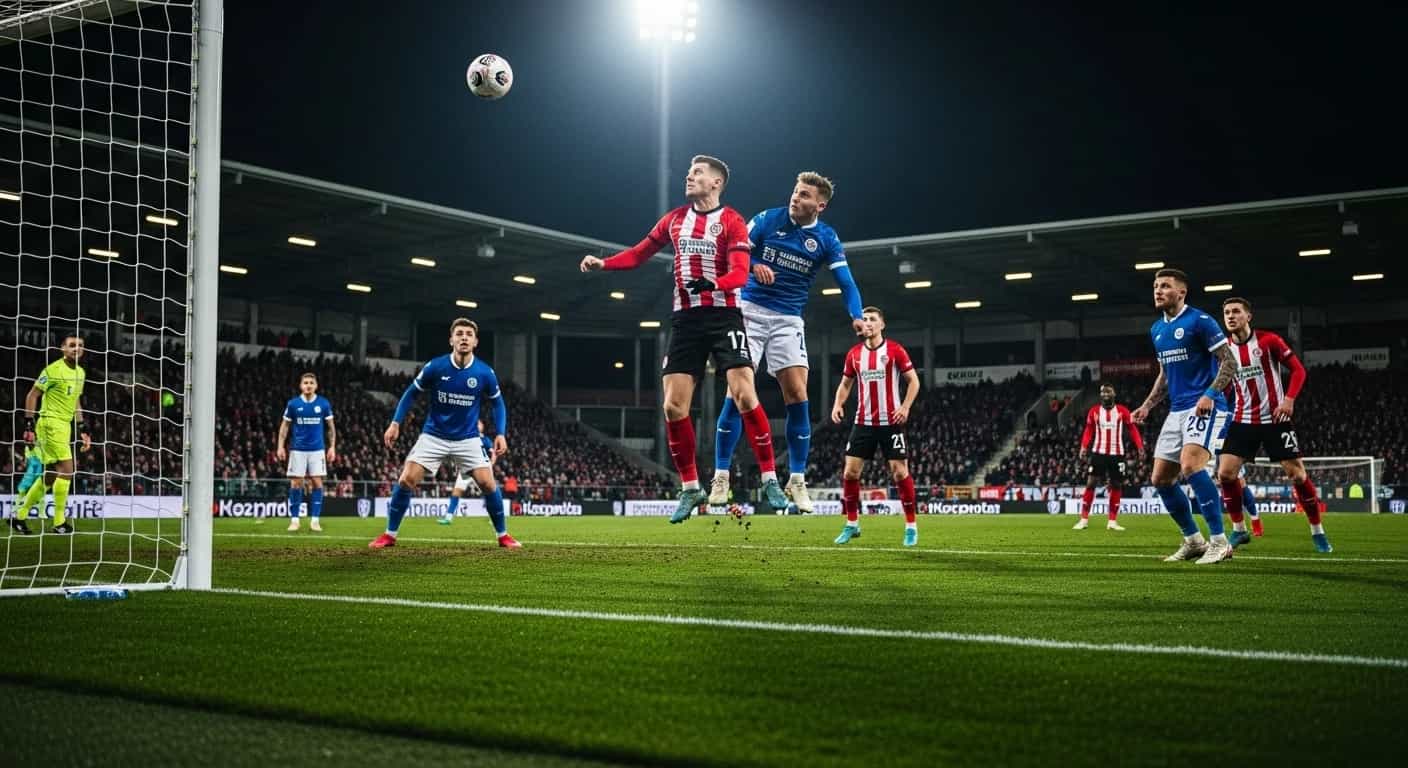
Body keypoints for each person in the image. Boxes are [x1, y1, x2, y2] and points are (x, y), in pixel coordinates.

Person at [580, 155, 789, 522]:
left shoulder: (733, 221)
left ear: (716, 183)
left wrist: (715, 283)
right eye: (690, 172)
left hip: (725, 317)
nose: (689, 177)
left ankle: (770, 478)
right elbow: (638, 254)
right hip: (686, 322)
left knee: (743, 392)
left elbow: (741, 274)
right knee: (673, 407)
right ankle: (691, 488)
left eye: (697, 173)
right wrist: (604, 263)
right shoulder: (674, 220)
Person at [710, 171, 864, 514]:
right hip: (748, 311)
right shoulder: (767, 219)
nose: (796, 198)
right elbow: (732, 256)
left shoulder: (826, 238)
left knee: (798, 395)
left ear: (819, 205)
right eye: (796, 192)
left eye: (805, 195)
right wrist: (754, 266)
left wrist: (855, 314)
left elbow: (847, 282)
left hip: (788, 319)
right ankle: (720, 476)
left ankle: (797, 479)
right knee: (737, 393)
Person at [369, 318, 518, 549]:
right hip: (434, 436)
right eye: (459, 333)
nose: (464, 337)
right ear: (451, 340)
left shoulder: (484, 372)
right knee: (406, 479)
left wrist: (501, 433)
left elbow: (498, 404)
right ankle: (389, 535)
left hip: (468, 438)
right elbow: (410, 393)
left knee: (489, 484)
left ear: (476, 341)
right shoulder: (436, 367)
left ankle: (503, 535)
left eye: (469, 334)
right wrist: (395, 423)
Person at [1131, 268, 1240, 564]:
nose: (1158, 290)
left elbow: (1229, 362)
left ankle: (1220, 542)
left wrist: (1210, 394)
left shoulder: (1200, 321)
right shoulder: (1157, 330)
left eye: (1165, 286)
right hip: (1176, 409)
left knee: (1191, 467)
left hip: (1204, 405)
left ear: (1181, 292)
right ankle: (1194, 541)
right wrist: (1147, 405)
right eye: (1155, 286)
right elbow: (1165, 375)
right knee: (1161, 479)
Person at [1215, 297, 1330, 552]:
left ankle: (1317, 531)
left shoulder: (1269, 341)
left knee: (1297, 475)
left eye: (1236, 312)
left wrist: (1288, 401)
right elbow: (1223, 385)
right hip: (1242, 420)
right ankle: (1239, 530)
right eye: (1226, 313)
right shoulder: (1223, 351)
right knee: (1225, 474)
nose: (1230, 316)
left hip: (1275, 419)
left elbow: (1299, 371)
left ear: (1248, 316)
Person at [828, 307, 921, 546]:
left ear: (882, 325)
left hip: (891, 422)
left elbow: (914, 382)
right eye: (865, 319)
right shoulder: (854, 354)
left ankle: (910, 526)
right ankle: (852, 524)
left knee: (900, 472)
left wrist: (906, 407)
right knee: (850, 472)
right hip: (863, 422)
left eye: (872, 319)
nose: (867, 323)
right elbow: (845, 384)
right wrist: (838, 404)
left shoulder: (894, 350)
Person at [12, 334, 92, 535]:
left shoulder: (80, 373)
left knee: (50, 475)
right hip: (49, 423)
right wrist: (28, 425)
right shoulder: (53, 370)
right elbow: (32, 395)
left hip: (65, 425)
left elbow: (75, 401)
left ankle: (19, 516)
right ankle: (58, 522)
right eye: (72, 345)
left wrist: (82, 428)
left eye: (80, 345)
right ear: (63, 349)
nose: (76, 348)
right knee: (67, 468)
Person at [1075, 383, 1144, 531]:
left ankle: (1112, 521)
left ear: (1114, 394)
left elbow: (1132, 429)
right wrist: (1083, 446)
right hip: (1098, 453)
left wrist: (1140, 446)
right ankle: (1084, 520)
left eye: (1108, 392)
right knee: (1090, 483)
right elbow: (1088, 430)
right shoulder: (1094, 411)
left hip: (1117, 454)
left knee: (1117, 485)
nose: (1106, 394)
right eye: (1103, 392)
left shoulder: (1123, 411)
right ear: (1101, 395)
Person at [275, 372, 336, 532]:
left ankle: (315, 520)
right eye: (305, 383)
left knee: (317, 483)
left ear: (316, 386)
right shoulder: (293, 404)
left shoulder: (323, 404)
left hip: (317, 450)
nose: (308, 385)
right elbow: (285, 426)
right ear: (301, 386)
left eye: (311, 383)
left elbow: (331, 428)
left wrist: (332, 447)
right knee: (296, 483)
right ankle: (295, 520)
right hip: (297, 450)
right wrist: (280, 446)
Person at [439, 418, 496, 525]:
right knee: (457, 491)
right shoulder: (467, 437)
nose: (477, 425)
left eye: (479, 423)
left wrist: (491, 464)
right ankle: (448, 517)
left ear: (482, 427)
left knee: (488, 492)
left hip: (481, 468)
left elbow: (493, 453)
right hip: (467, 468)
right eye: (475, 423)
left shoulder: (485, 439)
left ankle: (494, 518)